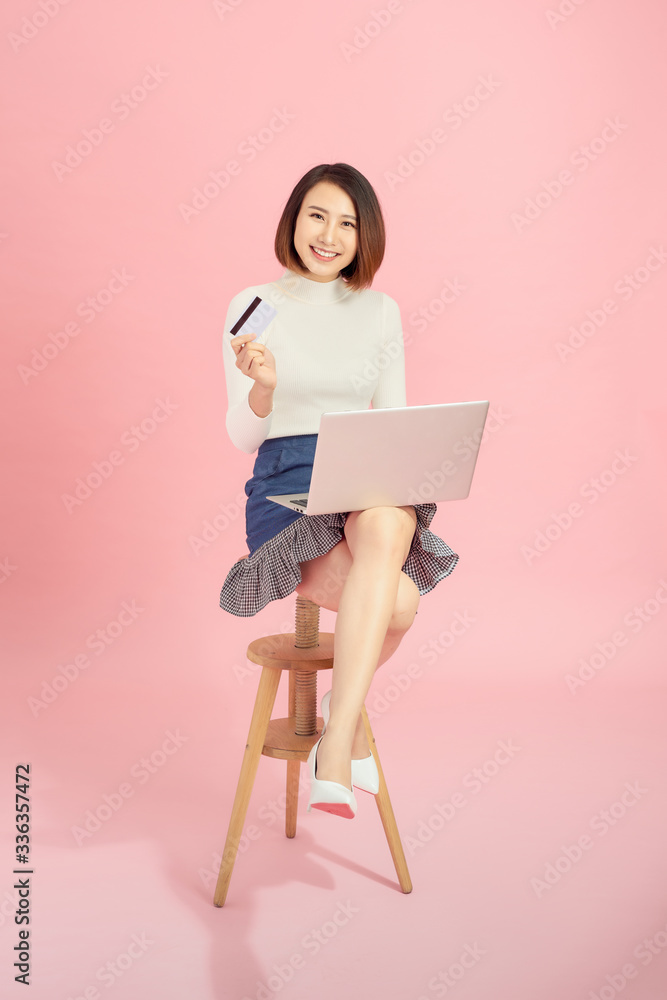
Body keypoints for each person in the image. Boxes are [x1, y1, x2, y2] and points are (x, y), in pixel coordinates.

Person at [219, 162, 459, 819]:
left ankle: (335, 740)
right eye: (316, 215)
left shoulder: (380, 312)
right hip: (287, 478)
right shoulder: (255, 305)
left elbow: (392, 420)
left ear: (365, 236)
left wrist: (407, 468)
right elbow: (242, 433)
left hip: (365, 473)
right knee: (401, 603)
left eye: (347, 223)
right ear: (293, 220)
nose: (328, 235)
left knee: (386, 521)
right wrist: (262, 388)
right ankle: (343, 720)